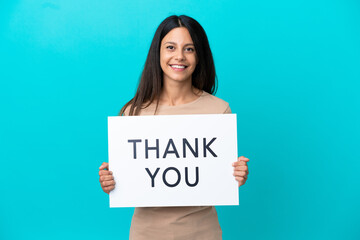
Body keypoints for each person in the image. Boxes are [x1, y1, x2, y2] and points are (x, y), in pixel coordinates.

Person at [98, 15, 249, 240]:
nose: (179, 56)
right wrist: (111, 181)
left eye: (189, 49)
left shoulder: (218, 110)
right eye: (170, 47)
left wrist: (237, 174)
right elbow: (128, 180)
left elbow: (219, 176)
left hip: (203, 233)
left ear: (199, 56)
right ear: (157, 53)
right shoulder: (133, 112)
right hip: (145, 233)